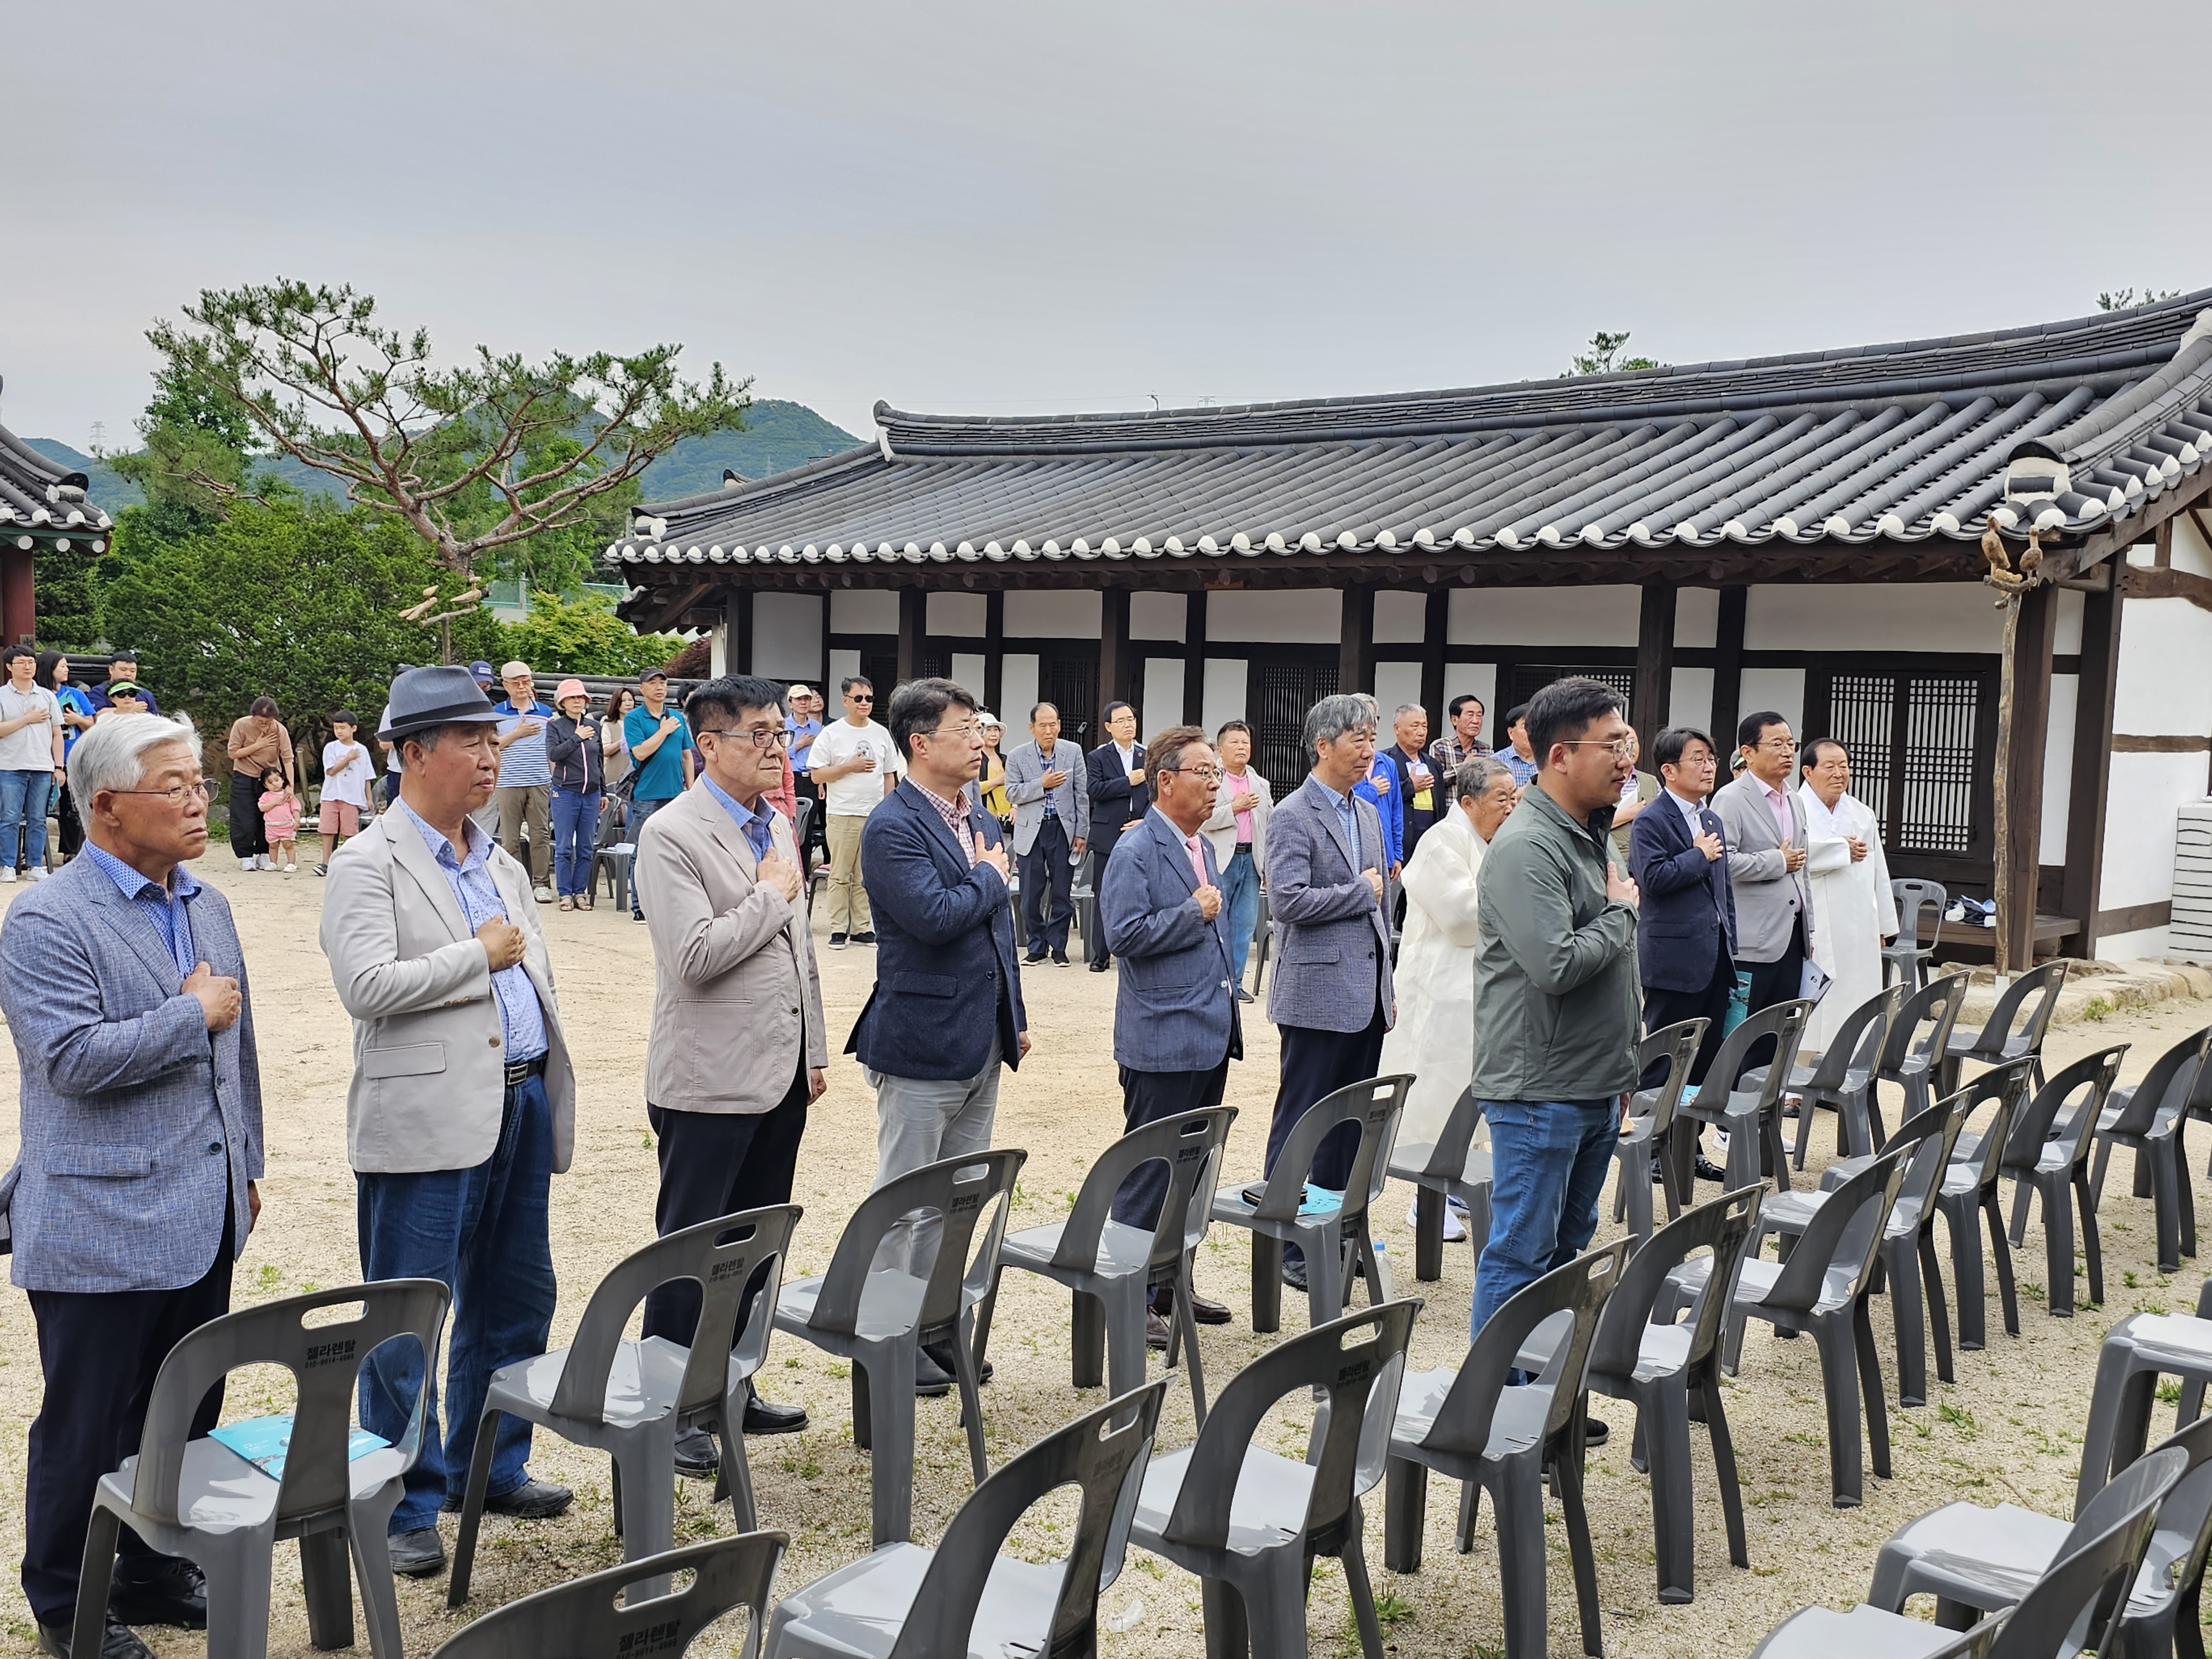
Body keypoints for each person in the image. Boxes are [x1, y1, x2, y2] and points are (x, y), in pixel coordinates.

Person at [1, 714, 261, 1659]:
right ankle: (70, 1604)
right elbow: (68, 1060)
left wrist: (249, 1165)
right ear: (107, 807)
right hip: (99, 1215)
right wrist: (187, 1015)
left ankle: (152, 1567)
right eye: (178, 786)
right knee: (88, 1421)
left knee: (186, 1404)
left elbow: (244, 1054)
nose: (200, 800)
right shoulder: (45, 917)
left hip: (205, 1204)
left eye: (201, 782)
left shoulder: (208, 903)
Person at [319, 665, 577, 1580]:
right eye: (470, 741)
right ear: (414, 753)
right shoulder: (367, 862)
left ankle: (489, 1464)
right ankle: (400, 1501)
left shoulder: (497, 859)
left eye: (490, 739)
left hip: (518, 1099)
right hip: (425, 1114)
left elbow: (530, 974)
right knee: (407, 1317)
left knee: (515, 1301)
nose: (487, 755)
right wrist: (476, 956)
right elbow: (366, 989)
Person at [633, 675, 825, 1472]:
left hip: (779, 1072)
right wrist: (773, 897)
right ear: (708, 746)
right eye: (760, 735)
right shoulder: (672, 834)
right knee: (690, 1247)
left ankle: (733, 1385)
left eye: (781, 732)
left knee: (755, 1246)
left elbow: (799, 952)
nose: (778, 748)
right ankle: (669, 1403)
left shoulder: (776, 822)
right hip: (709, 1079)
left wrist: (813, 1048)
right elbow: (693, 956)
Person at [846, 677, 1027, 1395]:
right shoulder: (892, 825)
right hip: (920, 1039)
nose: (982, 741)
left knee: (958, 1200)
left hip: (979, 1036)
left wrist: (1013, 1017)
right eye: (967, 729)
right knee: (905, 1201)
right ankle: (886, 1336)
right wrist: (988, 876)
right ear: (921, 742)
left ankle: (933, 1325)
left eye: (982, 728)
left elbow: (995, 931)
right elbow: (934, 915)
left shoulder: (976, 815)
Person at [1467, 677, 1641, 1383]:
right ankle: (1493, 1408)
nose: (1627, 758)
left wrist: (1621, 1070)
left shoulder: (1592, 833)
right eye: (1613, 745)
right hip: (1540, 1088)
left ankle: (1547, 1395)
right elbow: (1555, 965)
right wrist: (1622, 913)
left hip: (1593, 1080)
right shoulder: (1528, 845)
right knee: (1519, 1254)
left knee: (1569, 1249)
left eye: (1627, 742)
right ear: (1562, 755)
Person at [1099, 724, 1238, 1342]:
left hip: (1207, 1029)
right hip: (1161, 1036)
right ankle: (1129, 1297)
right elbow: (1122, 936)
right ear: (1165, 781)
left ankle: (1170, 1283)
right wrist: (1193, 912)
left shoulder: (1200, 845)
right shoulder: (1135, 850)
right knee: (1151, 1169)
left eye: (1216, 775)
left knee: (1193, 1168)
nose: (1215, 785)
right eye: (1203, 773)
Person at [1261, 694, 1394, 1291]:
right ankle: (1286, 1238)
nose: (1370, 750)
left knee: (1350, 1122)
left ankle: (1336, 1231)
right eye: (1358, 739)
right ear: (1323, 745)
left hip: (1364, 992)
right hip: (1317, 992)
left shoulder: (1364, 811)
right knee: (1304, 1118)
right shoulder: (1292, 814)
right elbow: (1286, 901)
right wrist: (1360, 892)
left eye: (1372, 738)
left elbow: (1377, 893)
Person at [1380, 754, 1517, 1240]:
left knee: (1478, 1095)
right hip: (1440, 991)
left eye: (1514, 799)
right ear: (1467, 802)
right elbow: (1463, 918)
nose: (1511, 808)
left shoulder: (1487, 843)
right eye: (1502, 799)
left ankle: (1466, 1189)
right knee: (1436, 1098)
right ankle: (1427, 1201)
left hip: (1481, 993)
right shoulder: (1442, 841)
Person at [1628, 727, 1738, 1160]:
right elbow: (1651, 880)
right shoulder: (1651, 819)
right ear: (1669, 770)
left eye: (1711, 758)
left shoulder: (1711, 819)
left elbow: (1722, 891)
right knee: (1664, 1056)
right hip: (1672, 959)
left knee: (1701, 1060)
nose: (1709, 766)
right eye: (1698, 759)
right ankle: (1651, 1150)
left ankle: (1686, 1151)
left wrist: (1731, 941)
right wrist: (1697, 855)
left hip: (1712, 955)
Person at [1712, 709, 1817, 1072]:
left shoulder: (1795, 800)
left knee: (1777, 1035)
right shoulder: (1730, 798)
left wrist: (1810, 929)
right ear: (1748, 752)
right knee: (1742, 1033)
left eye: (1791, 744)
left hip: (1791, 937)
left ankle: (1760, 1124)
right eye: (1777, 744)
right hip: (1751, 942)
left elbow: (1802, 870)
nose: (1788, 751)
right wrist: (1776, 861)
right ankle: (1728, 1124)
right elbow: (1722, 863)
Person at [1798, 738, 1897, 1051]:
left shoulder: (1861, 814)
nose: (1839, 773)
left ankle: (1844, 1076)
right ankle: (1800, 1088)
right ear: (1808, 771)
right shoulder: (1794, 810)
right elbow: (1792, 858)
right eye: (1829, 766)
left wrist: (1884, 924)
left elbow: (1878, 870)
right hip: (1814, 924)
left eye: (1844, 766)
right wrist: (1841, 849)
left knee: (1854, 995)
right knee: (1810, 999)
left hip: (1855, 924)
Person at [806, 675, 901, 949]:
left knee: (866, 874)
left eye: (869, 698)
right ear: (845, 701)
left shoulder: (881, 733)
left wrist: (888, 809)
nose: (864, 703)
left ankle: (862, 927)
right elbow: (816, 775)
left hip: (874, 814)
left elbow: (889, 776)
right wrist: (849, 767)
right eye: (858, 698)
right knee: (840, 873)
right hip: (842, 812)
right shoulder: (832, 733)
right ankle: (838, 929)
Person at [1004, 701, 1089, 967]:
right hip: (1032, 830)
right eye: (1043, 725)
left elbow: (1081, 795)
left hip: (1063, 829)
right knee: (1030, 893)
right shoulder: (1018, 756)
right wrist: (1041, 785)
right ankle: (1036, 946)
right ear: (1032, 728)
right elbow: (1011, 793)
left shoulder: (1073, 752)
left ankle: (1059, 947)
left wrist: (1081, 832)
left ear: (1060, 726)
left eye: (1053, 724)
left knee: (1063, 893)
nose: (1049, 730)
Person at [1198, 719, 1271, 1003]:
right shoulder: (1210, 779)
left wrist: (1267, 864)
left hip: (1251, 860)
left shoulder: (1260, 784)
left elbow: (1269, 823)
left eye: (1246, 743)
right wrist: (1233, 808)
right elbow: (1202, 819)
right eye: (1235, 743)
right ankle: (1212, 981)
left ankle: (1236, 981)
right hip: (1221, 860)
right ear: (1220, 749)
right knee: (1216, 923)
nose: (1242, 748)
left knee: (1244, 925)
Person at [624, 668, 697, 922]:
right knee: (644, 850)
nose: (659, 687)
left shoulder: (677, 716)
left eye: (662, 683)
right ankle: (640, 906)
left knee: (676, 850)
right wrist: (663, 730)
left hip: (677, 794)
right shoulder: (635, 719)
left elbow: (687, 755)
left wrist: (691, 789)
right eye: (652, 683)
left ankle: (670, 903)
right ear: (642, 689)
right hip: (647, 794)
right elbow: (640, 753)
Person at [1083, 701, 1149, 971]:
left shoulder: (1148, 754)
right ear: (1109, 727)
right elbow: (1094, 790)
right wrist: (1127, 782)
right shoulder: (1098, 757)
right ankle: (1101, 954)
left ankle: (1137, 952)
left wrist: (1144, 820)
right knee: (1104, 892)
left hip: (1141, 830)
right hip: (1108, 833)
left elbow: (1158, 792)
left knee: (1141, 891)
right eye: (1121, 721)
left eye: (1131, 719)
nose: (1128, 724)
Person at [491, 661, 557, 905]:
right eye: (515, 682)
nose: (522, 686)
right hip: (508, 781)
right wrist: (517, 733)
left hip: (540, 780)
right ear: (506, 685)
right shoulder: (497, 712)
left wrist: (553, 778)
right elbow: (493, 746)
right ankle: (514, 884)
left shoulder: (545, 711)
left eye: (526, 681)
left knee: (540, 834)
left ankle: (541, 883)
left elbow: (550, 748)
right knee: (510, 837)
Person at [0, 645, 65, 882]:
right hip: (9, 766)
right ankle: (7, 865)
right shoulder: (1, 695)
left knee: (39, 818)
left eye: (31, 662)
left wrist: (59, 766)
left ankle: (35, 865)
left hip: (42, 766)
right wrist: (27, 719)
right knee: (9, 817)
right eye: (22, 663)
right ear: (9, 667)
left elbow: (57, 734)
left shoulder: (47, 696)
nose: (28, 667)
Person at [544, 678, 604, 911]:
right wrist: (576, 737)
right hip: (565, 792)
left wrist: (603, 791)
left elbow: (599, 760)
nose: (577, 701)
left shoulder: (594, 725)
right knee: (565, 846)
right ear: (562, 702)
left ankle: (581, 892)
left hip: (591, 793)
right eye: (572, 697)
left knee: (586, 847)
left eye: (581, 697)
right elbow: (554, 754)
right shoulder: (555, 726)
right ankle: (565, 894)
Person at [35, 651, 95, 861]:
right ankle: (36, 853)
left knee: (71, 808)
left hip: (73, 757)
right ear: (49, 669)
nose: (66, 669)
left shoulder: (76, 694)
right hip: (42, 757)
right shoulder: (37, 695)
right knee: (38, 808)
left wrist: (77, 719)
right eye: (62, 666)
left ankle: (71, 852)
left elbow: (92, 725)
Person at [224, 696, 294, 873]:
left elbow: (287, 758)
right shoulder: (241, 725)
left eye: (268, 722)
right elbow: (233, 753)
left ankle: (264, 853)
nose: (265, 725)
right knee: (244, 817)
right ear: (253, 717)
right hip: (245, 775)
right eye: (260, 722)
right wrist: (258, 745)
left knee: (269, 817)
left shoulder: (280, 730)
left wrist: (290, 785)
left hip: (270, 778)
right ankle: (246, 856)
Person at [317, 709, 376, 877]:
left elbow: (367, 776)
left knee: (350, 832)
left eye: (343, 728)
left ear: (353, 728)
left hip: (352, 797)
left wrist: (369, 798)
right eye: (336, 728)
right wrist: (348, 758)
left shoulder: (362, 750)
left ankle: (348, 863)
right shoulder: (331, 748)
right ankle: (325, 863)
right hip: (331, 794)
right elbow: (331, 771)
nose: (339, 731)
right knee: (328, 829)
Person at [1379, 703, 1439, 862]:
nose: (1421, 732)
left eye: (1424, 726)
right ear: (1397, 728)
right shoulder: (1384, 761)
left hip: (1430, 842)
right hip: (1399, 842)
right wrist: (1411, 786)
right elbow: (1382, 797)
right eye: (1415, 726)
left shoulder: (1433, 765)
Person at [1607, 725, 1661, 869]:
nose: (1631, 748)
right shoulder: (1599, 781)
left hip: (1645, 865)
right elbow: (1586, 824)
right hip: (1611, 865)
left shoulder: (1651, 782)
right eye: (1625, 742)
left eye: (1634, 742)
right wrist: (1629, 814)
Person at [1429, 693, 1491, 775]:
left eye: (1479, 716)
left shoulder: (1486, 750)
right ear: (1455, 720)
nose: (1476, 721)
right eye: (1470, 715)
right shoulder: (1440, 747)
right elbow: (1436, 781)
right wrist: (1463, 767)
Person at [257, 766, 301, 874]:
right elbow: (262, 807)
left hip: (286, 825)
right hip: (271, 826)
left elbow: (295, 809)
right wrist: (274, 803)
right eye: (270, 782)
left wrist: (297, 821)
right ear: (265, 785)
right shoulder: (266, 796)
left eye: (277, 780)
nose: (275, 784)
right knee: (273, 845)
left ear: (282, 780)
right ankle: (273, 863)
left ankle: (291, 863)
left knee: (288, 844)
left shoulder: (288, 795)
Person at [87, 653, 160, 716]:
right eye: (123, 670)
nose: (128, 674)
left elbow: (156, 718)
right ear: (111, 670)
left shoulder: (146, 694)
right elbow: (97, 716)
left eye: (132, 671)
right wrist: (128, 709)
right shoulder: (98, 692)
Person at [601, 685, 638, 797]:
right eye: (623, 701)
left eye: (630, 700)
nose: (628, 704)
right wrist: (623, 740)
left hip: (636, 775)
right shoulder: (609, 724)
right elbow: (605, 751)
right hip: (615, 774)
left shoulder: (639, 723)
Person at [974, 713, 1011, 822]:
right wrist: (997, 781)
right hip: (985, 818)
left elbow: (1017, 787)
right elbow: (973, 789)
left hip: (1008, 819)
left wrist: (1015, 808)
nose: (994, 734)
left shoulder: (1006, 760)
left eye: (996, 730)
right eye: (989, 730)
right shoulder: (976, 760)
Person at [1498, 702, 1540, 787]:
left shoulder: (1549, 761)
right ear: (1511, 733)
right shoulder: (1497, 762)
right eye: (1526, 726)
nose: (1532, 731)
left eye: (1536, 725)